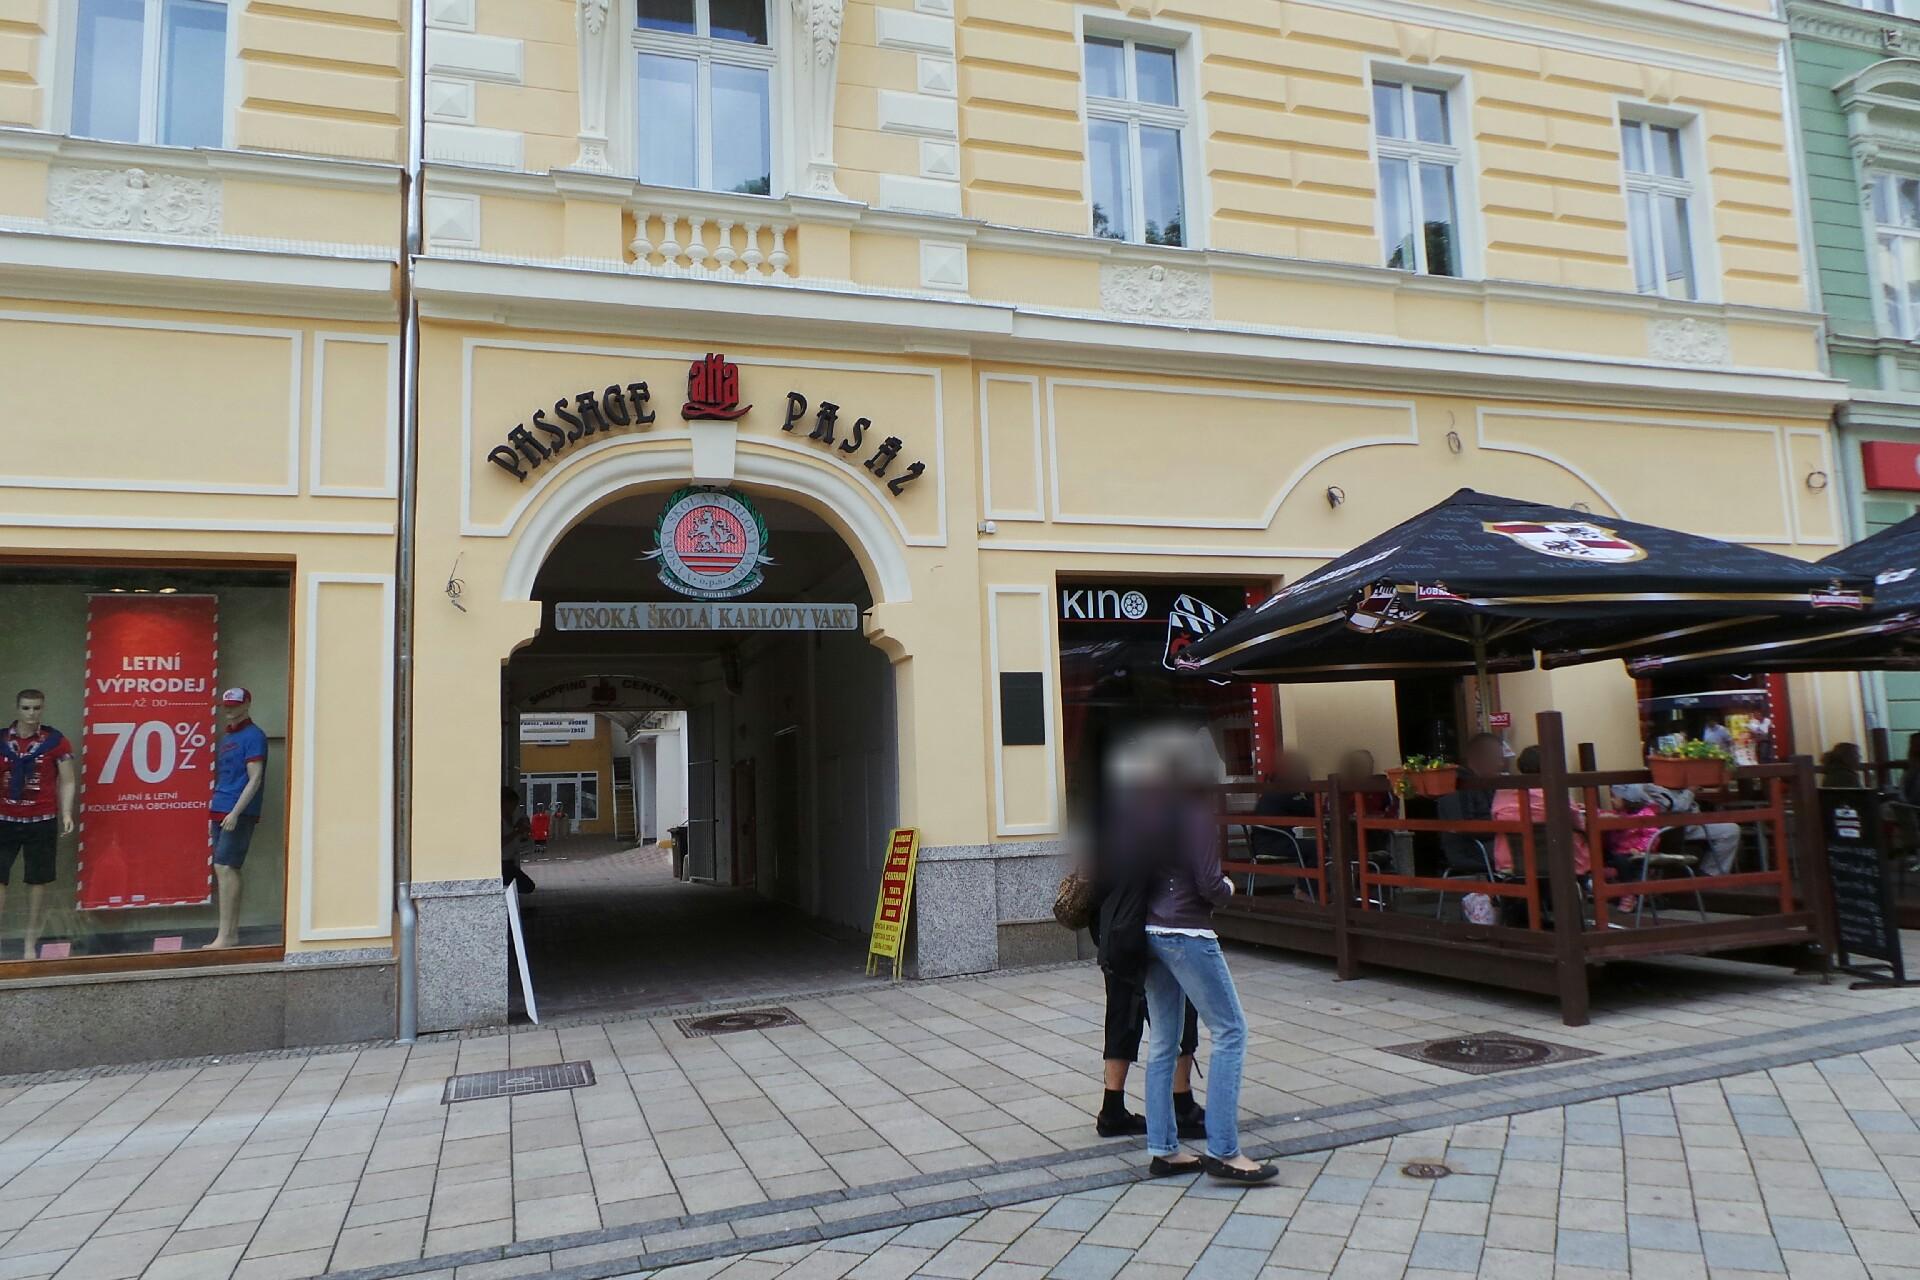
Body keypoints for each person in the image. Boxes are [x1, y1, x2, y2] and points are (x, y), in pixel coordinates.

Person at [1102, 722, 1274, 1184]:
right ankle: (1224, 1149)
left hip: (1150, 933)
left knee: (1163, 1042)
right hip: (1187, 931)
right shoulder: (1194, 812)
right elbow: (1208, 883)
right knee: (1232, 1032)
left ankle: (1164, 1149)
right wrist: (1231, 888)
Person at [0, 690, 76, 960]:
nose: (32, 714)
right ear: (17, 708)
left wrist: (66, 812)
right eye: (26, 708)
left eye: (37, 708)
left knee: (38, 882)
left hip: (41, 819)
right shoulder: (2, 740)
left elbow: (67, 779)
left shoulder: (55, 741)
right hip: (4, 819)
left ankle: (30, 943)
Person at [206, 689, 268, 950]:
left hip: (236, 810)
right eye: (226, 706)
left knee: (226, 866)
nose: (229, 710)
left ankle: (228, 934)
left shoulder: (254, 736)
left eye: (235, 705)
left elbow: (255, 777)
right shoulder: (228, 737)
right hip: (220, 806)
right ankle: (226, 932)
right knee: (221, 867)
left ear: (247, 705)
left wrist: (236, 812)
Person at [1434, 732, 1506, 925]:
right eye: (1496, 758)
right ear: (1478, 758)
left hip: (1492, 841)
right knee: (1523, 855)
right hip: (1471, 848)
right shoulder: (1460, 785)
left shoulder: (1488, 784)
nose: (1501, 764)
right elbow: (1464, 826)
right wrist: (1503, 828)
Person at [501, 788, 536, 895]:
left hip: (510, 860)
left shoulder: (510, 817)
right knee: (526, 886)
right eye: (513, 804)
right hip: (503, 863)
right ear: (505, 803)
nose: (514, 808)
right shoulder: (500, 820)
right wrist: (517, 831)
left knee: (522, 886)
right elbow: (500, 842)